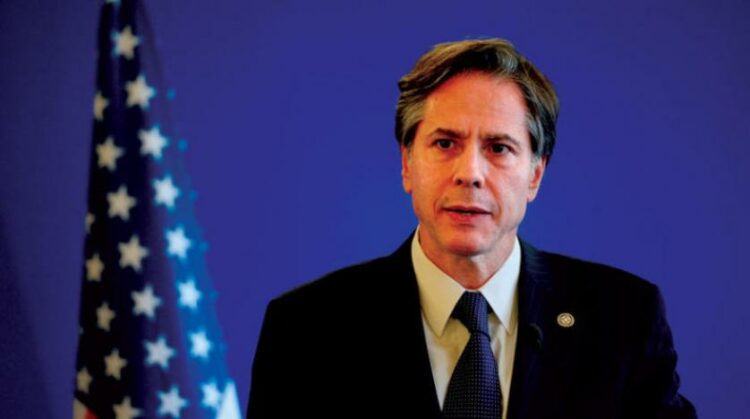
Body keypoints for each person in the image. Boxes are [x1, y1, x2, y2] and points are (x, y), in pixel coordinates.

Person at [246, 39, 697, 419]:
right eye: (445, 143)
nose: (470, 174)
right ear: (407, 164)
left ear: (536, 174)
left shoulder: (625, 321)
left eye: (499, 148)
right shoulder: (305, 330)